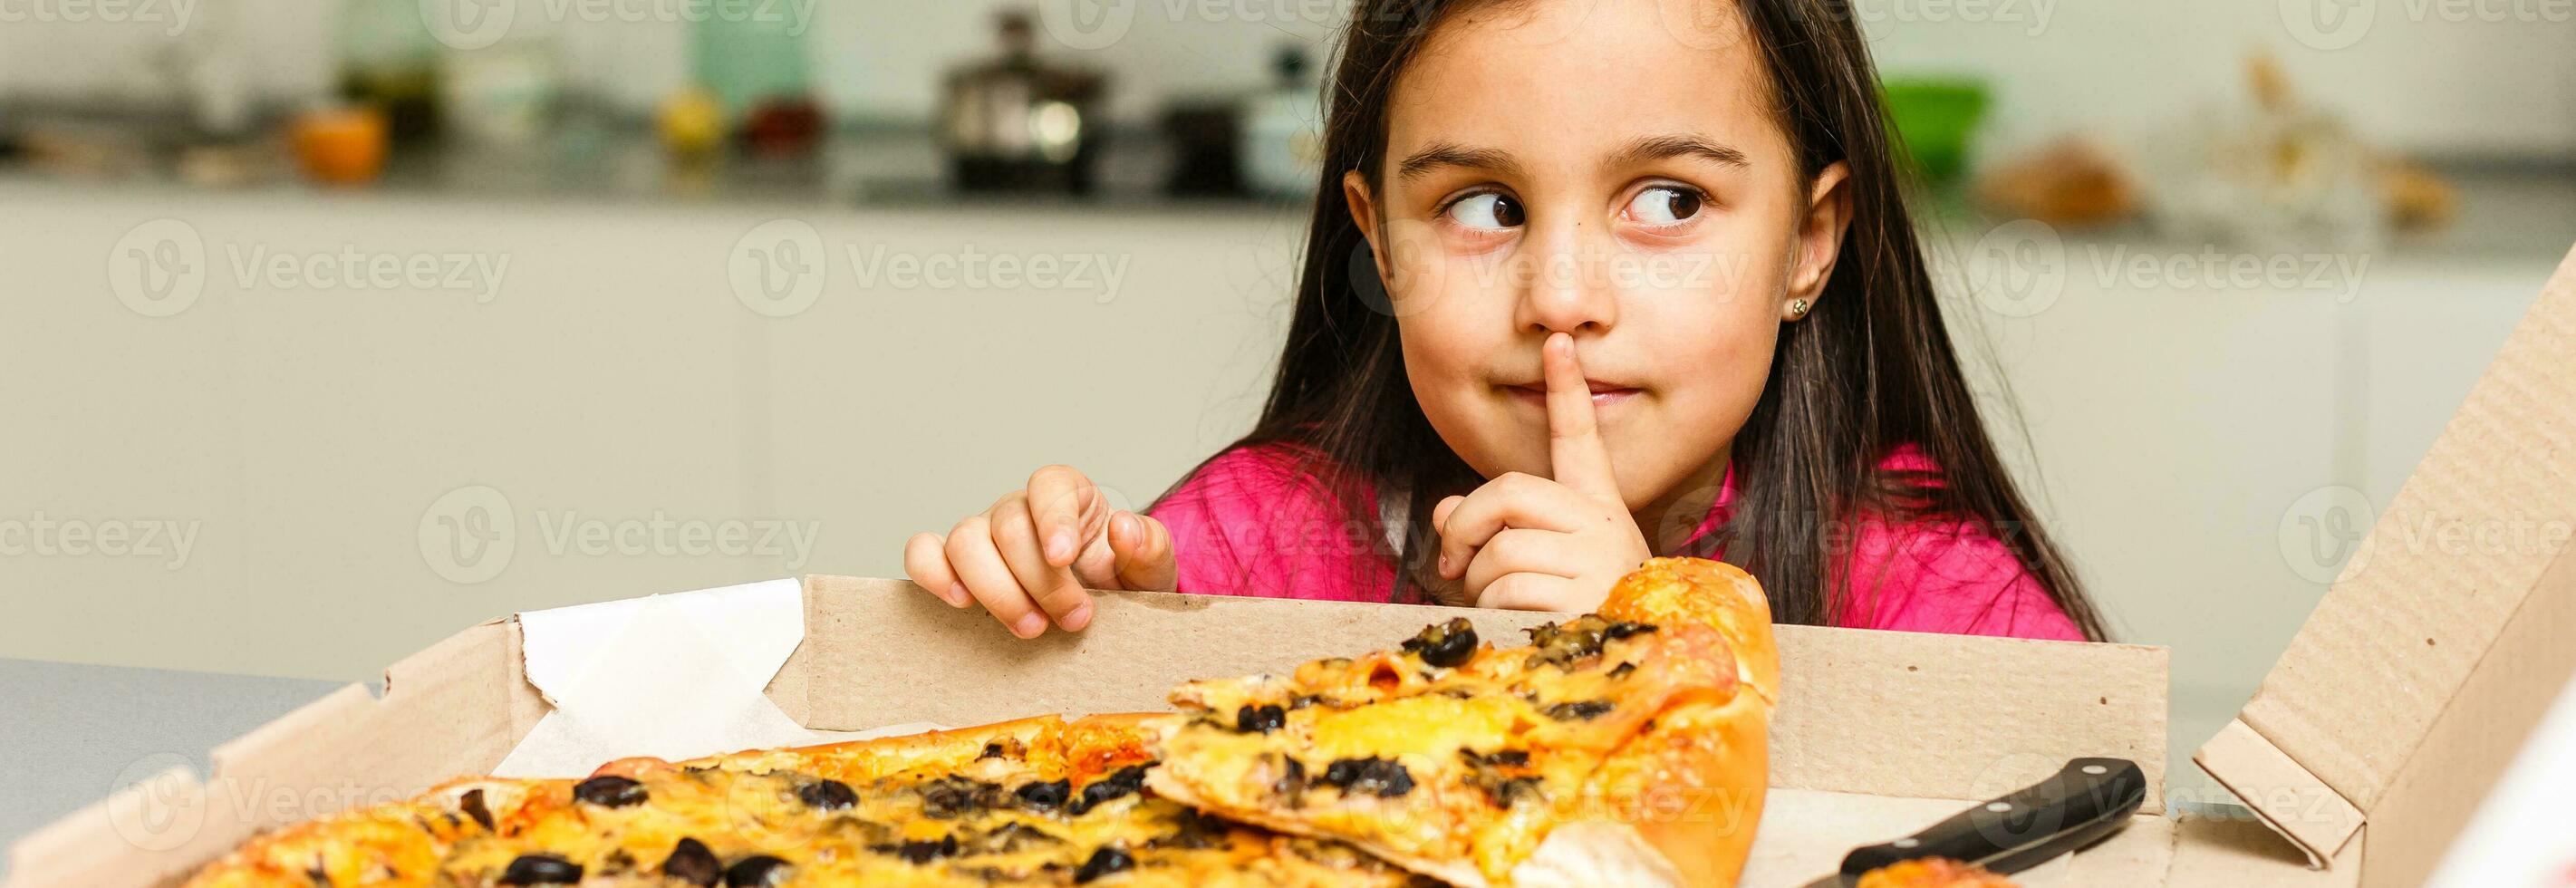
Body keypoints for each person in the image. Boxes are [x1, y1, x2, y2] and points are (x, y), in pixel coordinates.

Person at [903, 0, 2110, 642]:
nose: (1562, 299)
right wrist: (1062, 610)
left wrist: (1647, 654)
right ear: (1377, 239)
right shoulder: (1266, 544)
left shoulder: (1934, 590)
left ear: (1807, 243)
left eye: (1669, 201)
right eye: (1485, 206)